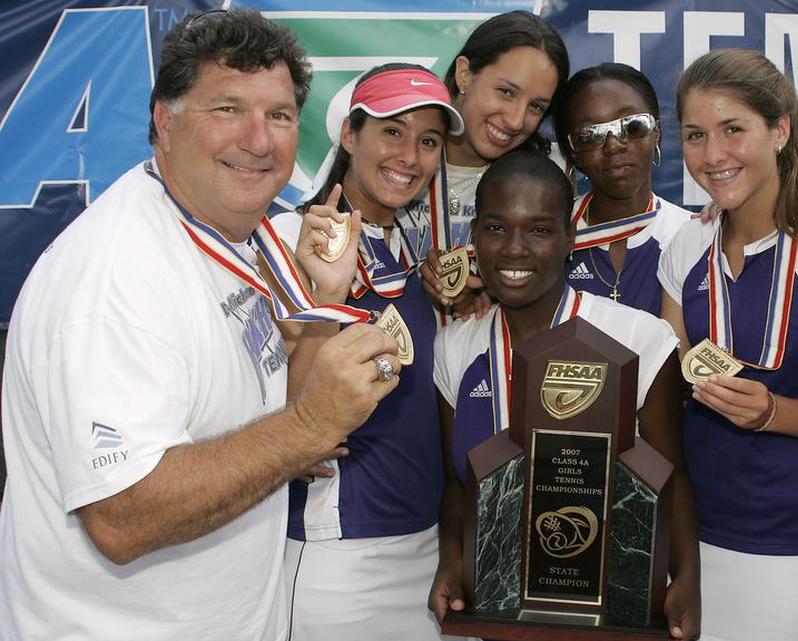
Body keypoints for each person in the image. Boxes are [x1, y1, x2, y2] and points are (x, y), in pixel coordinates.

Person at [0, 9, 402, 641]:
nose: (259, 140)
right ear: (165, 120)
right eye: (226, 110)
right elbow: (124, 516)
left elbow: (250, 426)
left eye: (278, 115)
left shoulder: (237, 236)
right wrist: (309, 427)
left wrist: (319, 310)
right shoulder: (114, 281)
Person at [429, 150, 700, 640]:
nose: (514, 249)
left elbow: (671, 475)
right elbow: (456, 483)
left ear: (569, 237)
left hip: (607, 616)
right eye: (495, 228)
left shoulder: (639, 338)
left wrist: (687, 579)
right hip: (494, 610)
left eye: (538, 229)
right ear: (473, 237)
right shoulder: (454, 346)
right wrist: (451, 560)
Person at [658, 49, 798, 641]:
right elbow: (667, 393)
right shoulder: (686, 245)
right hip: (694, 538)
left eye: (734, 130)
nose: (713, 156)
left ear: (780, 130)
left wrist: (773, 412)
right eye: (697, 135)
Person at [269, 64, 464, 641]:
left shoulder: (409, 244)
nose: (410, 154)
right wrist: (325, 298)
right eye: (392, 132)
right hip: (341, 552)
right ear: (350, 136)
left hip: (423, 542)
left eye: (427, 141)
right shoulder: (292, 239)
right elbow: (285, 408)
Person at [401, 11, 570, 314]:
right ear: (464, 74)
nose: (516, 120)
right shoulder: (396, 159)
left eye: (536, 106)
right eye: (506, 92)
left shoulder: (548, 176)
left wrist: (500, 295)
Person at [553, 63, 689, 315]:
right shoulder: (548, 235)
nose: (614, 145)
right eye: (590, 134)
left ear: (656, 133)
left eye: (633, 125)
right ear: (572, 153)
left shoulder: (692, 236)